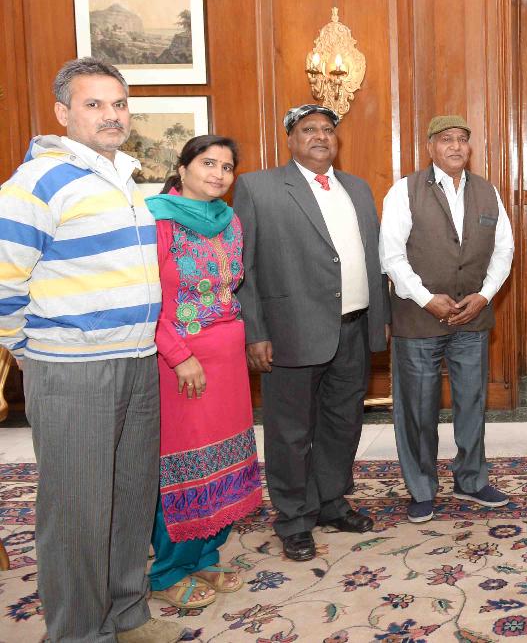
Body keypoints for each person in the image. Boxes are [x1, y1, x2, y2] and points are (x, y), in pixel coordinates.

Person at [0, 57, 184, 642]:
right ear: (63, 113)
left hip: (137, 360)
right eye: (94, 104)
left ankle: (126, 615)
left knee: (131, 498)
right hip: (72, 371)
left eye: (119, 104)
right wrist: (29, 349)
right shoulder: (37, 182)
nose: (111, 115)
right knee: (78, 511)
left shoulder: (121, 178)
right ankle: (78, 633)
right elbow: (3, 281)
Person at [234, 104, 389, 562]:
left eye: (327, 129)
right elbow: (244, 267)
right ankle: (294, 519)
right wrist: (254, 332)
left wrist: (379, 318)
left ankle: (330, 503)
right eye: (308, 130)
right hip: (290, 332)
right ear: (290, 139)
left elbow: (372, 258)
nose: (320, 136)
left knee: (343, 423)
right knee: (291, 432)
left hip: (353, 328)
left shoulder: (357, 188)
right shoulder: (258, 187)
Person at [144, 135, 262, 610]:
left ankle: (206, 556)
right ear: (183, 167)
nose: (218, 174)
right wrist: (179, 355)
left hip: (228, 361)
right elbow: (146, 299)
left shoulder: (230, 221)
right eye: (208, 163)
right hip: (180, 364)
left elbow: (233, 287)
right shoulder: (156, 220)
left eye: (227, 167)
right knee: (185, 464)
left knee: (224, 459)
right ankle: (169, 570)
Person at [379, 115, 515, 523]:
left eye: (462, 139)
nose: (455, 146)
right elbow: (391, 256)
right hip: (419, 318)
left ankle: (471, 479)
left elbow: (504, 250)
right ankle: (422, 488)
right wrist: (426, 299)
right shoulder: (404, 191)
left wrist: (484, 296)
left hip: (472, 318)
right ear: (430, 147)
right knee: (418, 408)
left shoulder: (487, 192)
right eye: (446, 139)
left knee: (472, 403)